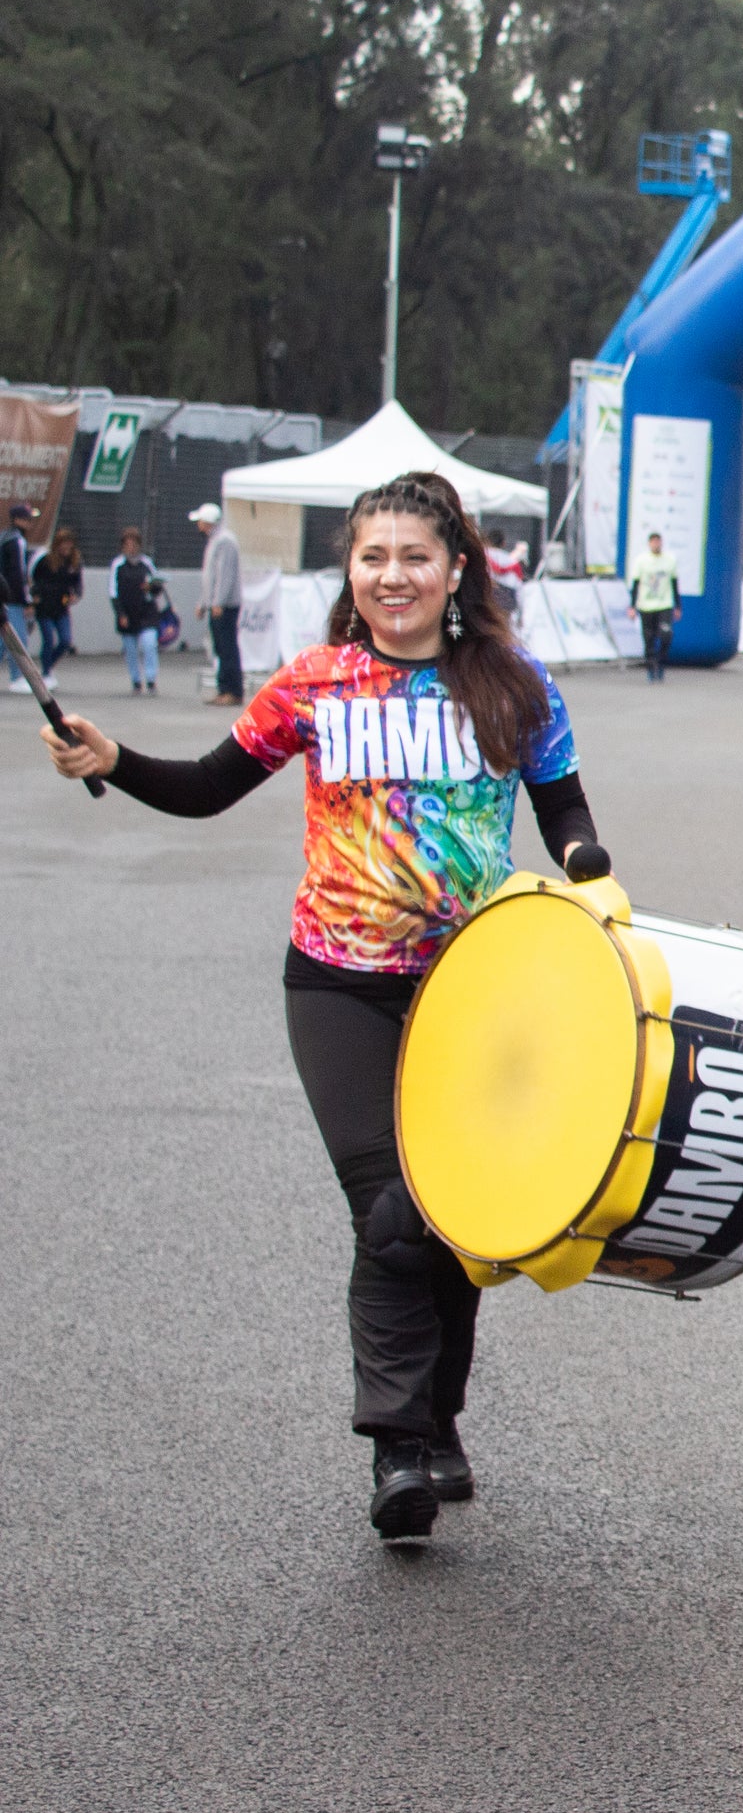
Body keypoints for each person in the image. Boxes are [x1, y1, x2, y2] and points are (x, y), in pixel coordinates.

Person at [35, 471, 598, 1543]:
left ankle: (439, 1417)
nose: (393, 576)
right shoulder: (315, 684)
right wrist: (115, 759)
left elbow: (562, 805)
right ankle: (398, 1448)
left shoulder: (514, 684)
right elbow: (208, 785)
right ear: (351, 570)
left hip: (470, 988)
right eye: (373, 557)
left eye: (415, 557)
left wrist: (584, 864)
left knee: (459, 1217)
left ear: (456, 570)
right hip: (336, 982)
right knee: (390, 1210)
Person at [192, 505, 245, 707]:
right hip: (217, 603)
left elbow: (224, 575)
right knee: (220, 647)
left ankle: (232, 690)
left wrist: (218, 602)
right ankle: (224, 688)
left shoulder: (225, 541)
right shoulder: (216, 540)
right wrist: (203, 602)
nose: (198, 525)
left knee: (227, 646)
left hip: (225, 605)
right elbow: (211, 577)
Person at [111, 528, 163, 697]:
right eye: (128, 545)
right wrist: (120, 614)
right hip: (127, 613)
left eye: (134, 544)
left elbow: (157, 587)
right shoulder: (118, 565)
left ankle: (151, 678)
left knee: (149, 643)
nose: (131, 548)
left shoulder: (146, 563)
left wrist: (151, 587)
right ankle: (136, 680)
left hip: (146, 612)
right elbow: (113, 592)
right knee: (131, 649)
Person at [30, 525, 81, 687]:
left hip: (61, 607)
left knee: (65, 640)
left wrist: (76, 594)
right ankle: (46, 673)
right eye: (63, 545)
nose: (66, 549)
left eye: (69, 546)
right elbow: (34, 579)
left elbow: (77, 583)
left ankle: (48, 666)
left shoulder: (74, 562)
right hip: (44, 607)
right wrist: (34, 597)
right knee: (48, 640)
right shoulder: (45, 559)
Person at [627, 530, 680, 682]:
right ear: (649, 544)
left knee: (666, 635)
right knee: (648, 638)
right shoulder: (641, 561)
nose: (656, 545)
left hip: (664, 604)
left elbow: (674, 584)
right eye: (654, 542)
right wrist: (632, 606)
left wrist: (678, 606)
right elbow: (636, 584)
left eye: (658, 542)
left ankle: (661, 662)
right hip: (646, 605)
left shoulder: (669, 560)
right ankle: (651, 668)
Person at [0, 501, 36, 689]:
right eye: (27, 519)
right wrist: (26, 600)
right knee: (17, 639)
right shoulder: (17, 541)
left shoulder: (4, 537)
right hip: (12, 598)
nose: (30, 523)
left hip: (4, 596)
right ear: (17, 520)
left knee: (4, 639)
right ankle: (17, 678)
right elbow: (18, 573)